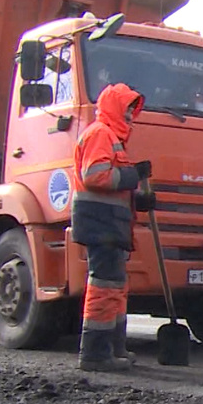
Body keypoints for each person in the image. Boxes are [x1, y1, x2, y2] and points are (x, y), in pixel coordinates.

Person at [71, 83, 153, 372]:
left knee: (115, 287)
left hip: (111, 223)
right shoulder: (100, 134)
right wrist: (133, 176)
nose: (132, 115)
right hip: (100, 222)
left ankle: (114, 349)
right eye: (128, 109)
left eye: (133, 109)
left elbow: (112, 183)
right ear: (116, 108)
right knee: (105, 286)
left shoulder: (111, 137)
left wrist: (139, 199)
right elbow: (95, 176)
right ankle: (95, 354)